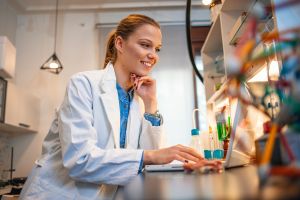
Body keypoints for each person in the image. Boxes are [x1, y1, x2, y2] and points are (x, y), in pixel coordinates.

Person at [20, 14, 221, 200]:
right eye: (145, 45)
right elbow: (80, 161)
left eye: (157, 49)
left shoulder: (138, 100)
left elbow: (147, 162)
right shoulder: (83, 84)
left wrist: (151, 105)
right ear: (120, 43)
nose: (153, 55)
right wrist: (152, 156)